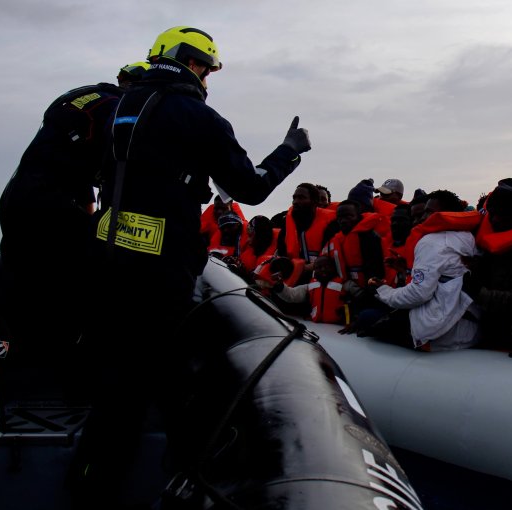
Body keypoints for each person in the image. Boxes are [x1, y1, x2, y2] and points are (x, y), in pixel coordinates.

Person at [68, 26, 311, 507]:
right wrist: (290, 151)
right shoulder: (199, 117)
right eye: (205, 66)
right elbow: (252, 187)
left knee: (112, 384)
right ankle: (174, 486)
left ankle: (84, 481)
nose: (207, 77)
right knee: (157, 386)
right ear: (190, 63)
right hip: (160, 274)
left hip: (104, 262)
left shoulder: (115, 107)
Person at [0, 65, 125, 401]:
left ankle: (19, 375)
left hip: (16, 199)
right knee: (90, 284)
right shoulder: (116, 110)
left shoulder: (79, 99)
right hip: (49, 207)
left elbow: (76, 171)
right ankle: (77, 383)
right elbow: (112, 176)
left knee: (23, 287)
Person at [368, 190, 482, 351]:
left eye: (428, 212)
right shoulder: (467, 237)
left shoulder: (431, 242)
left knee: (367, 320)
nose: (421, 218)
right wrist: (405, 270)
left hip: (439, 331)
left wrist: (382, 290)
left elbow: (419, 294)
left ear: (446, 213)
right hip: (469, 326)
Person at [463, 178, 512, 352]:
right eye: (491, 214)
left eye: (499, 214)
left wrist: (479, 292)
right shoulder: (485, 244)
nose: (493, 220)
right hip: (485, 322)